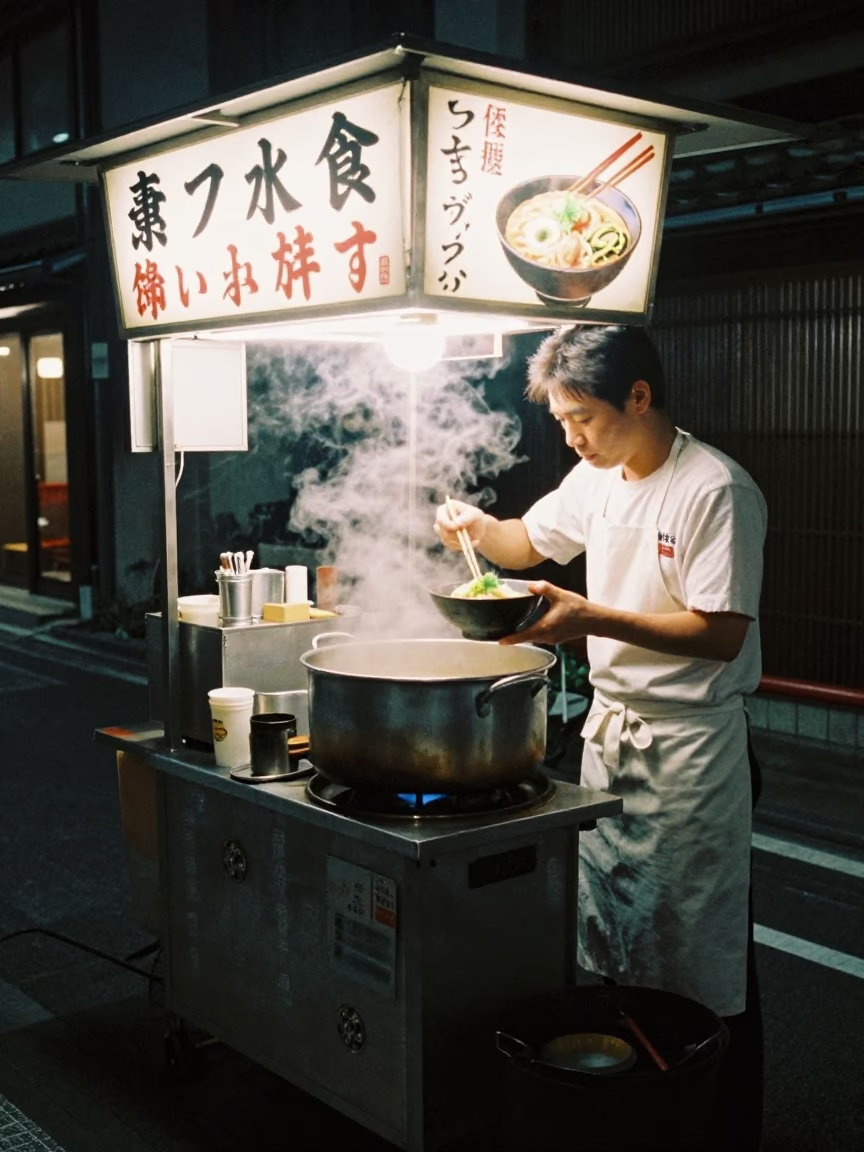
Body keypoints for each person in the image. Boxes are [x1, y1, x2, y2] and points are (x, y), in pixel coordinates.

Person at [434, 323, 766, 1151]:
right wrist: (475, 523)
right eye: (561, 422)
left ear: (640, 398)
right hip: (614, 738)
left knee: (702, 961)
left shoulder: (713, 489)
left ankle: (723, 1126)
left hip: (690, 749)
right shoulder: (599, 475)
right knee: (617, 939)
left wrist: (585, 618)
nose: (572, 437)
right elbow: (522, 543)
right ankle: (633, 1117)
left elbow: (720, 632)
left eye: (581, 417)